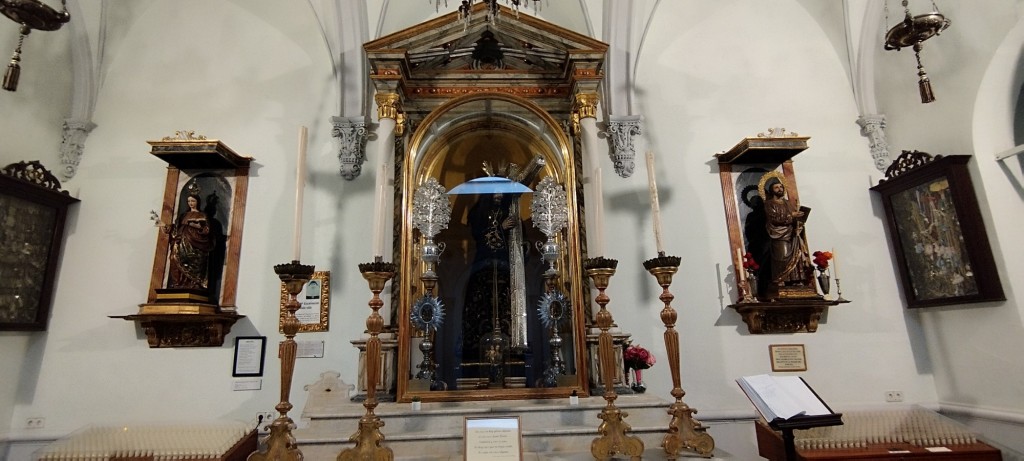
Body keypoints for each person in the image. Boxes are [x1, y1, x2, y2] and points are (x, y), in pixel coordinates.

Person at [763, 176, 813, 287]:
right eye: (776, 187)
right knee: (782, 256)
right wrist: (792, 215)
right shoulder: (769, 204)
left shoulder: (788, 203)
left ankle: (795, 280)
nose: (780, 189)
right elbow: (774, 219)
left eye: (781, 187)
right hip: (779, 234)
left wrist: (799, 220)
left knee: (796, 256)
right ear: (771, 190)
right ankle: (780, 279)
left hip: (792, 233)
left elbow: (794, 217)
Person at [166, 192, 214, 290]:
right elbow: (175, 228)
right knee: (173, 258)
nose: (190, 203)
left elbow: (207, 230)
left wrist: (197, 226)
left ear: (198, 202)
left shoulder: (202, 215)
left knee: (193, 261)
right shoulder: (183, 215)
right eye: (189, 201)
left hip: (195, 244)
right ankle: (177, 283)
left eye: (193, 201)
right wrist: (166, 227)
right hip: (180, 242)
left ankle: (194, 283)